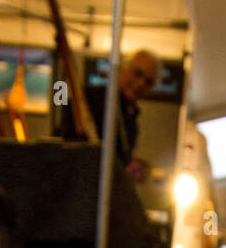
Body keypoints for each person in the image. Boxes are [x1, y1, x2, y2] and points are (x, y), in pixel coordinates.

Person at [63, 49, 160, 184]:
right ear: (122, 69)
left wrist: (130, 164)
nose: (141, 83)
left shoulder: (131, 117)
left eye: (148, 82)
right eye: (137, 73)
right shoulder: (91, 100)